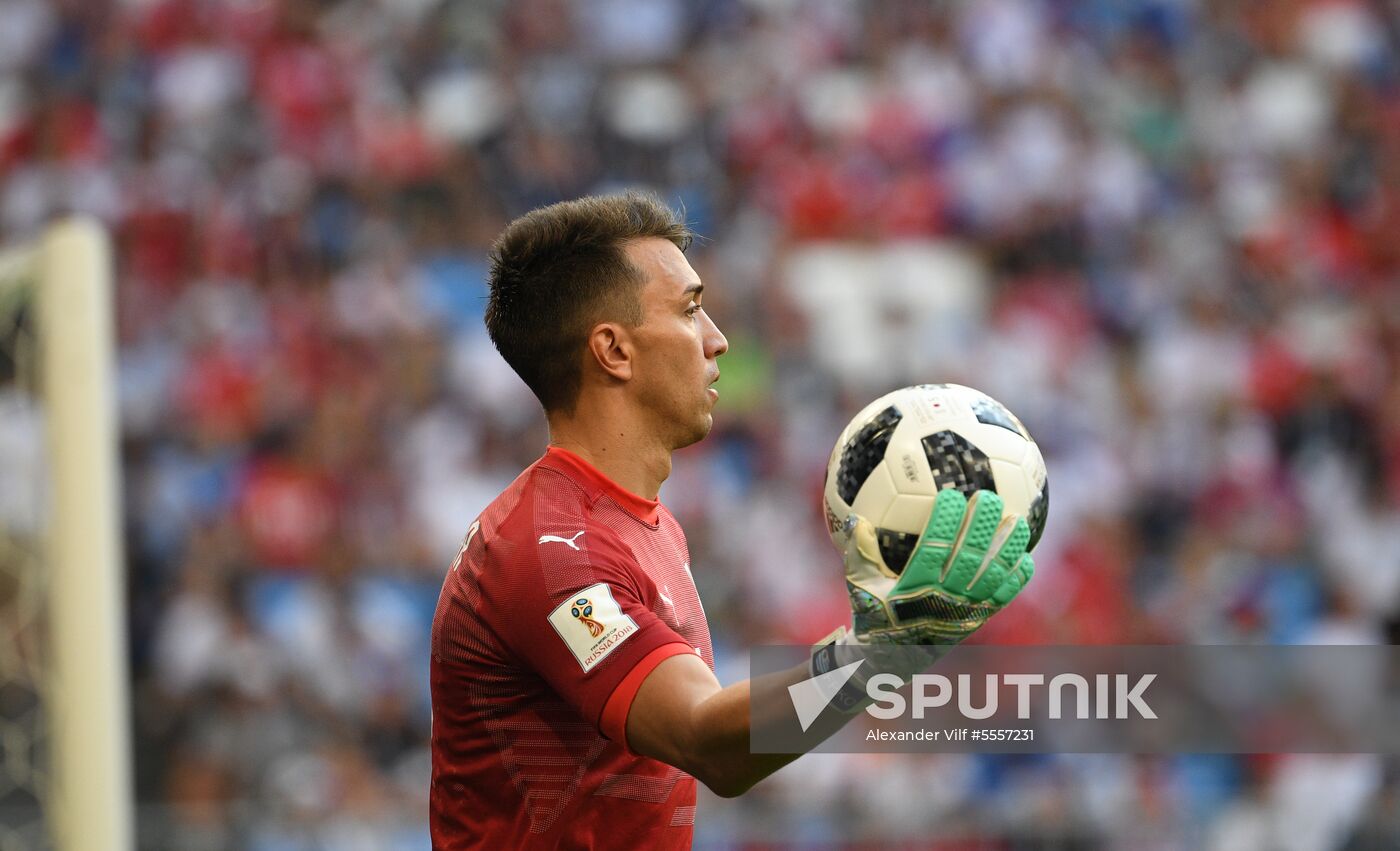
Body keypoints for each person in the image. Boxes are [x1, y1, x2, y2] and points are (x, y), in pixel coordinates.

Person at [428, 192, 1036, 849]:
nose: (718, 338)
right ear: (614, 350)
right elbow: (706, 739)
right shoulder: (549, 554)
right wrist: (880, 654)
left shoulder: (639, 524)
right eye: (690, 310)